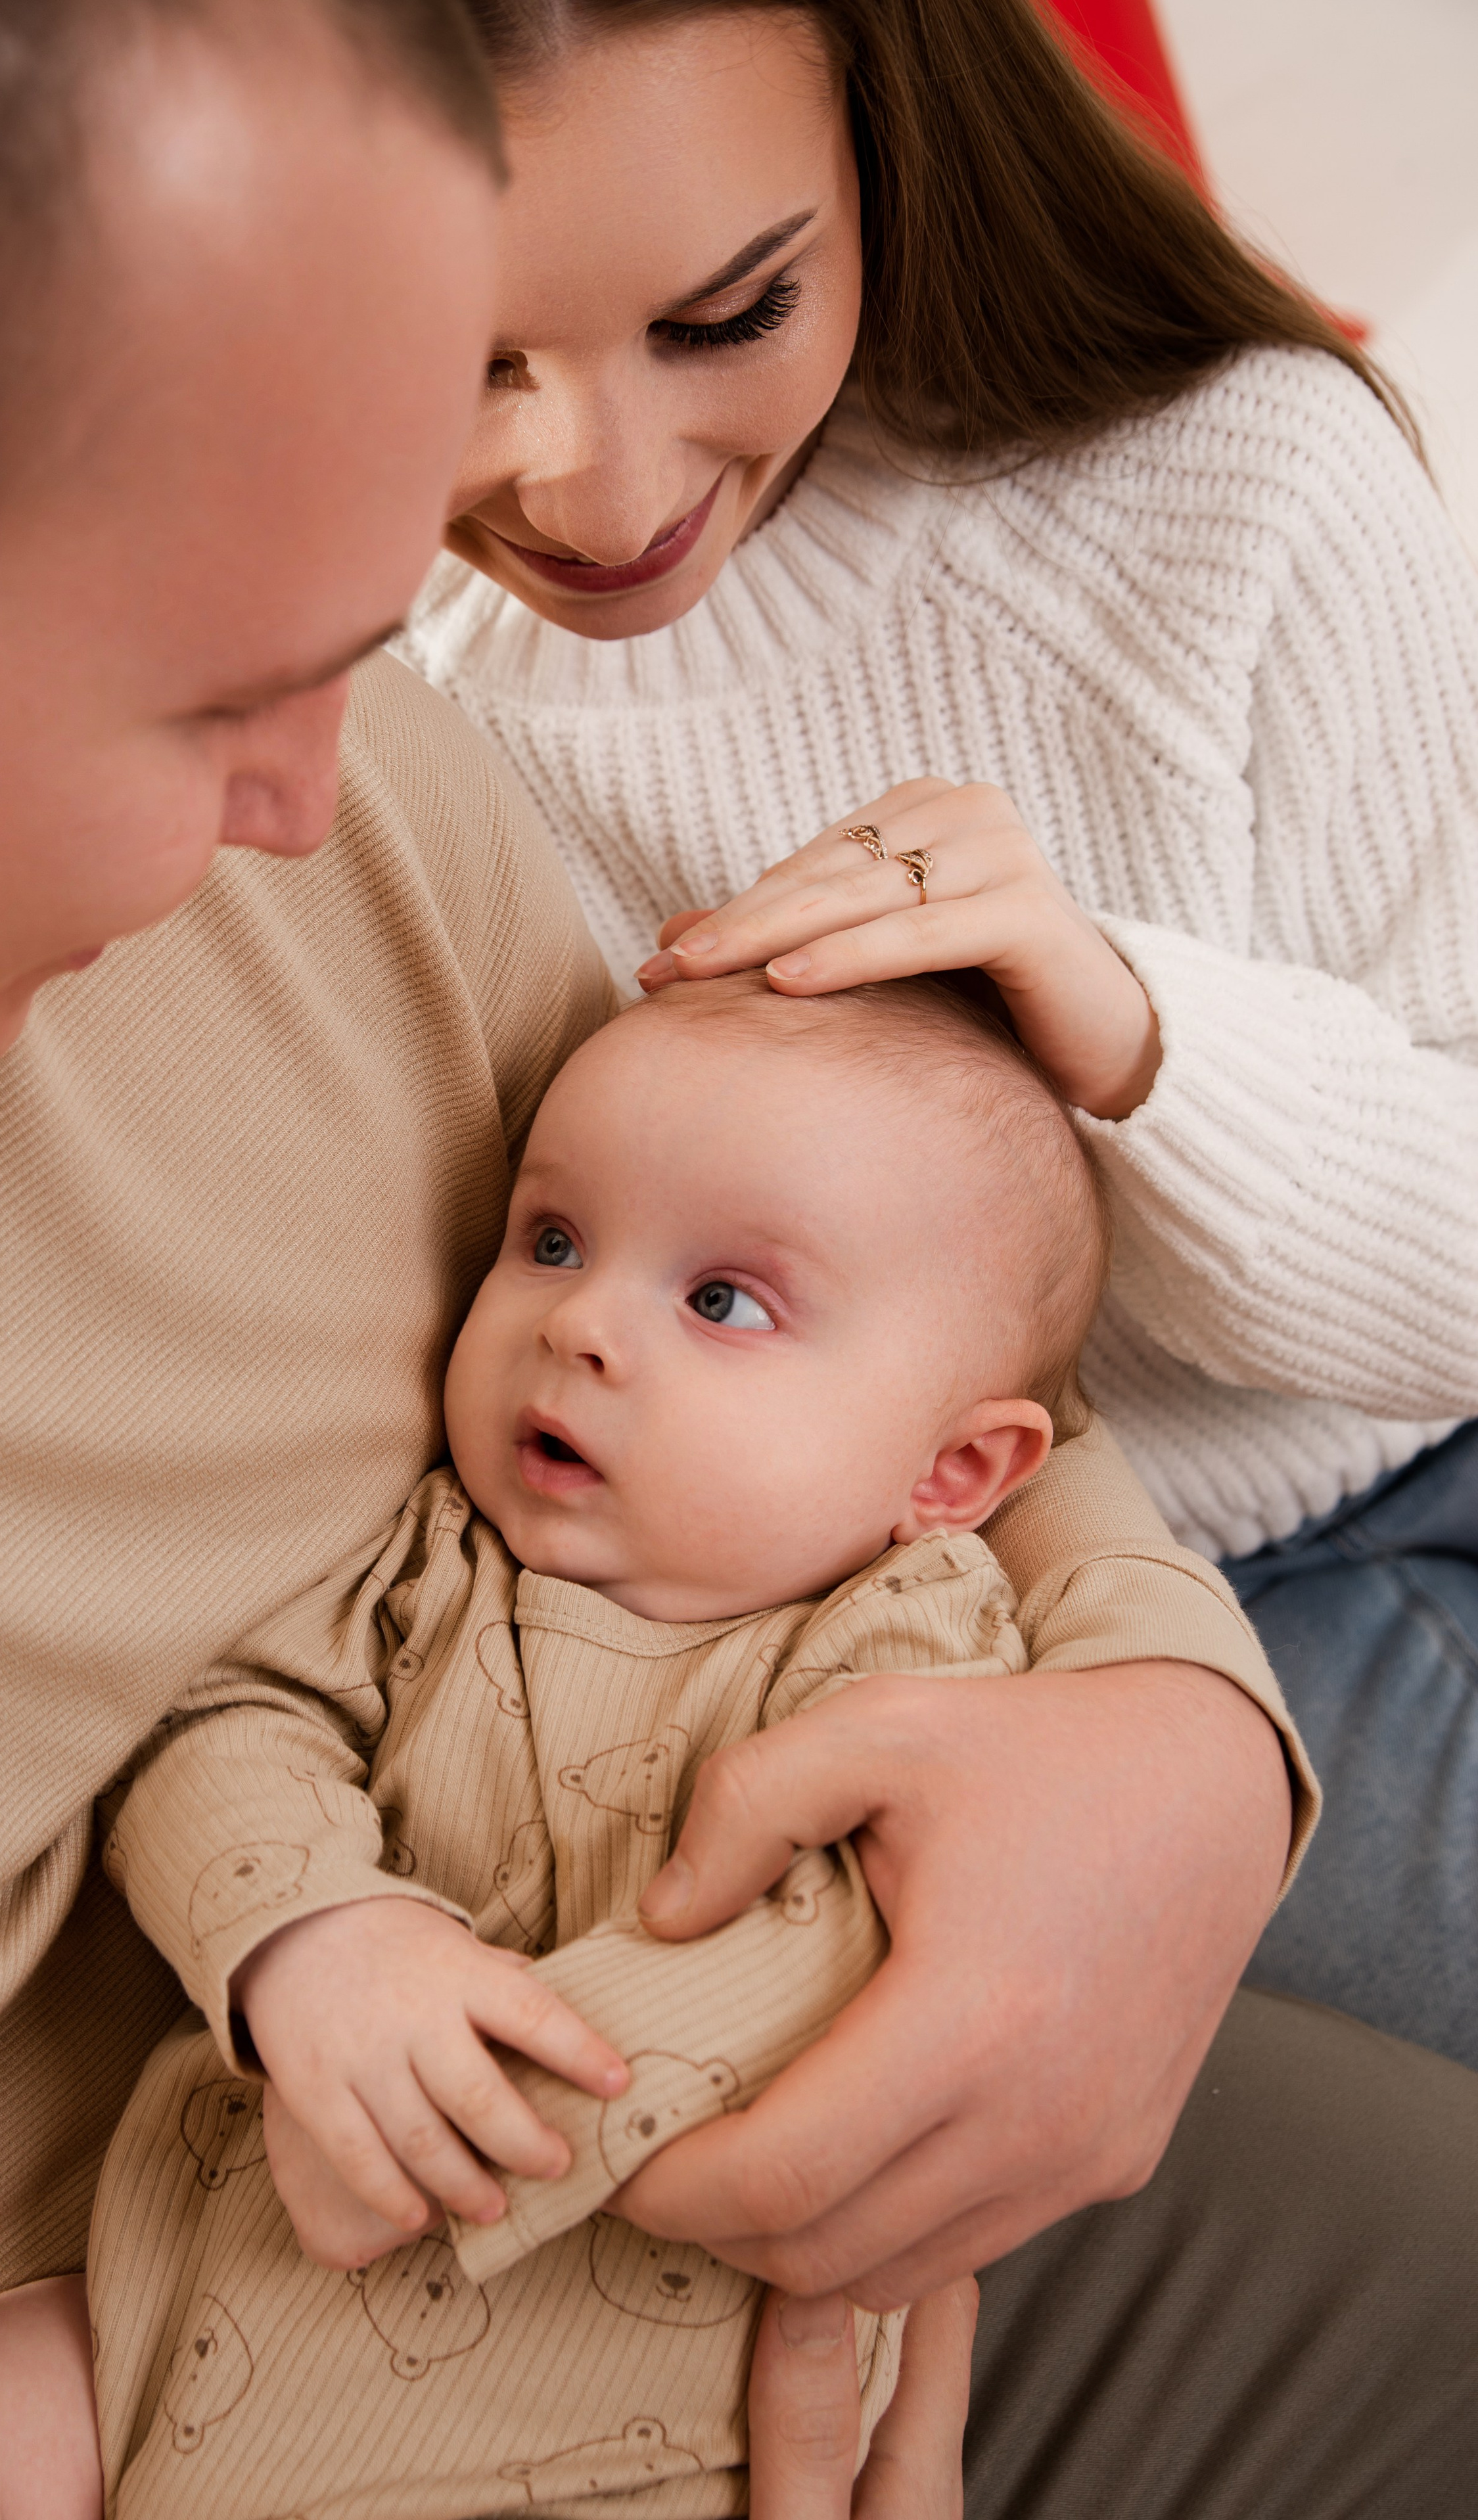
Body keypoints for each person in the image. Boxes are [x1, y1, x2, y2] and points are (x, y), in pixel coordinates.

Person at [0, 3, 1470, 2518]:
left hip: (848, 1980)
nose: (307, 786)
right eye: (204, 690)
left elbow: (883, 1319)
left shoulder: (371, 824)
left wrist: (1172, 1742)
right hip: (139, 2320)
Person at [395, 0, 1478, 2086]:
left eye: (731, 312)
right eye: (461, 366)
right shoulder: (405, 729)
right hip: (1059, 1597)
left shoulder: (1244, 484)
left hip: (1401, 1439)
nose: (601, 492)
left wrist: (1137, 1031)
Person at [9, 973, 1262, 2519]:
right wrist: (312, 1936)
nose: (580, 1323)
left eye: (721, 1299)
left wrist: (462, 2113)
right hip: (187, 2301)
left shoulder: (909, 1645)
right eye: (550, 1241)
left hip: (615, 2439)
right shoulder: (425, 1553)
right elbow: (220, 1721)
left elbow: (853, 1959)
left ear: (950, 1471)